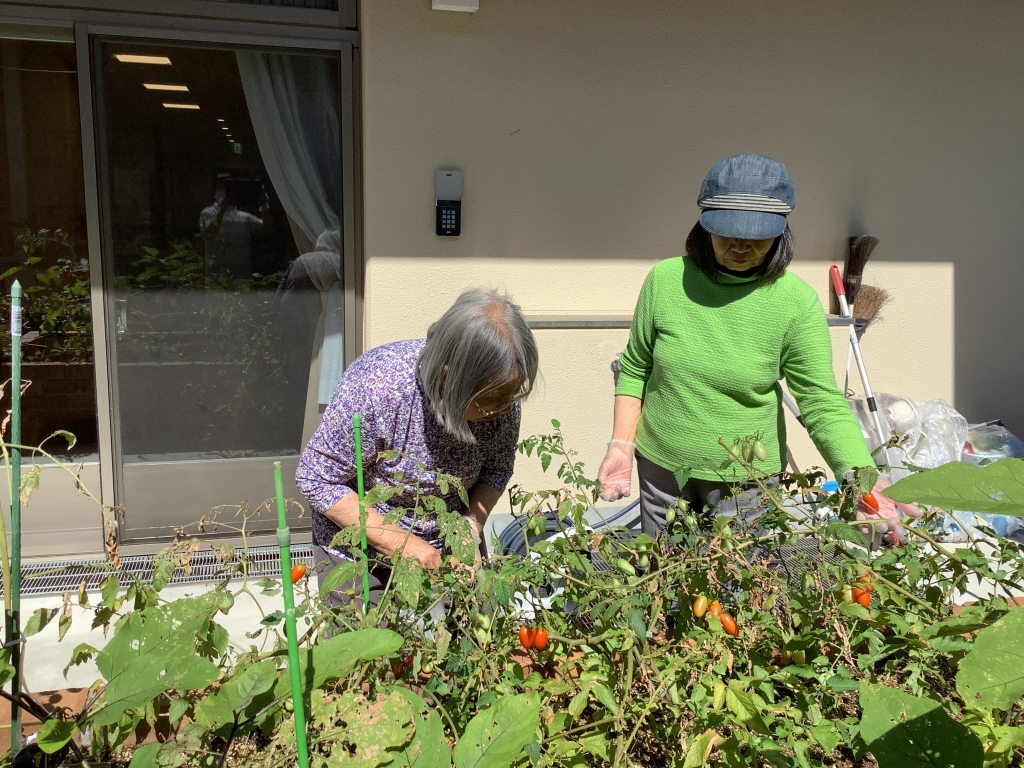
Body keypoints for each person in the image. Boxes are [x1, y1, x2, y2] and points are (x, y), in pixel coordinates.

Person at [597, 153, 917, 542]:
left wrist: (858, 474)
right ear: (704, 224)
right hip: (662, 472)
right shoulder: (666, 282)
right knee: (663, 583)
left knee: (738, 594)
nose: (741, 246)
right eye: (727, 232)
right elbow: (635, 368)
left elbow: (818, 399)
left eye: (758, 237)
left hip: (745, 483)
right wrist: (620, 444)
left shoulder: (795, 302)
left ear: (781, 231)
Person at [296, 288, 539, 605]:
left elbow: (496, 469)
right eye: (490, 401)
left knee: (470, 643)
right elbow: (317, 477)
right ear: (449, 378)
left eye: (511, 395)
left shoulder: (500, 400)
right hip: (360, 549)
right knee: (365, 648)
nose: (504, 410)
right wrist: (403, 544)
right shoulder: (377, 386)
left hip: (448, 542)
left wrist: (469, 529)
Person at [199, 181, 266, 278]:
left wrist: (264, 205)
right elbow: (209, 234)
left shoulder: (245, 217)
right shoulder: (208, 213)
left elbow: (264, 228)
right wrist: (222, 210)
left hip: (241, 273)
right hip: (216, 273)